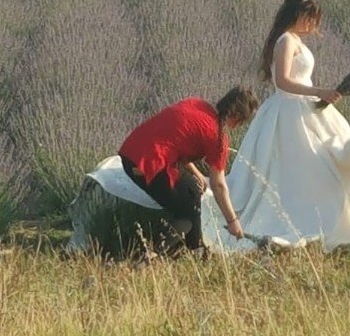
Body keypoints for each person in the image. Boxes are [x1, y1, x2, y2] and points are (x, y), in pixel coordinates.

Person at [201, 0, 350, 252]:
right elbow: (284, 81)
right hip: (290, 112)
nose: (312, 25)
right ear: (298, 14)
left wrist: (319, 96)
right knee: (305, 169)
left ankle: (338, 219)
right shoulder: (286, 41)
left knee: (333, 162)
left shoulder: (294, 40)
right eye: (310, 18)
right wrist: (318, 92)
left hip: (305, 109)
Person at [67, 86, 258, 257]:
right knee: (187, 209)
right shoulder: (218, 138)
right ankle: (154, 254)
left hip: (129, 153)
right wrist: (232, 221)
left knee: (192, 189)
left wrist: (196, 173)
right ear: (237, 118)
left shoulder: (197, 103)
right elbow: (218, 185)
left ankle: (196, 249)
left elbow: (177, 139)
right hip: (146, 166)